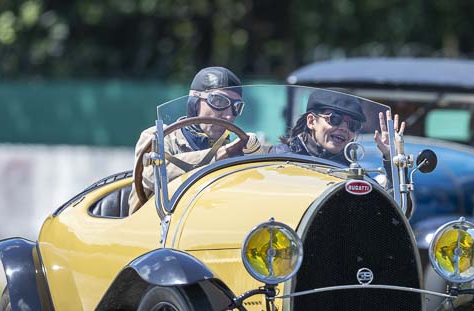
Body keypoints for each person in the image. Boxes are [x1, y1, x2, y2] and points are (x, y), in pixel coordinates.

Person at [128, 66, 261, 214]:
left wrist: (256, 158)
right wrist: (217, 156)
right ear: (195, 102)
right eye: (218, 101)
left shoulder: (232, 150)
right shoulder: (158, 137)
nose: (229, 115)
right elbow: (152, 175)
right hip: (152, 230)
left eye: (236, 107)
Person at [273, 89, 404, 172]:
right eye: (334, 119)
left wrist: (392, 161)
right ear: (311, 121)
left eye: (352, 125)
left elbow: (391, 211)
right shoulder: (278, 158)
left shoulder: (350, 172)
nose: (344, 128)